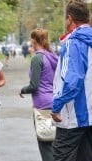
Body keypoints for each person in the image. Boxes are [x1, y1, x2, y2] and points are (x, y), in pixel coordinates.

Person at [51, 1, 92, 161]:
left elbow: (72, 80)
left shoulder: (73, 42)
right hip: (90, 115)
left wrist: (56, 106)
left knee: (61, 157)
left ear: (69, 18)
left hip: (72, 115)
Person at [20, 28, 58, 161]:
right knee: (54, 143)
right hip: (55, 102)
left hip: (42, 105)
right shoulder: (52, 55)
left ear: (33, 40)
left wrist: (23, 90)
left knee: (45, 143)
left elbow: (34, 85)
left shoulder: (37, 58)